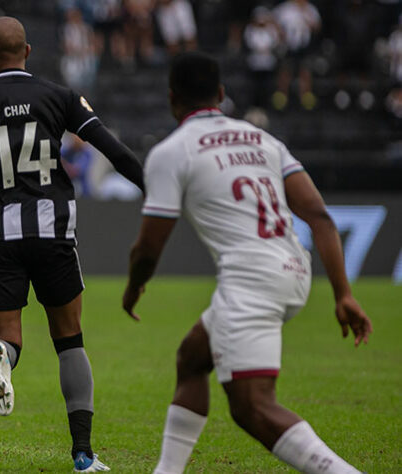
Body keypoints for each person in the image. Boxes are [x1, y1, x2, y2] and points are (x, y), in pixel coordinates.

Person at [122, 52, 373, 474]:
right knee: (191, 359)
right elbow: (320, 218)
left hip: (252, 280)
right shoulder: (263, 141)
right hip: (294, 270)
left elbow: (149, 246)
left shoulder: (172, 151)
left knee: (252, 407)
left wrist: (134, 287)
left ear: (171, 99)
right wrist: (343, 294)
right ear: (220, 95)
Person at [0, 16, 144, 473]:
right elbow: (114, 152)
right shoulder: (58, 96)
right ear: (28, 53)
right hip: (52, 230)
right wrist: (156, 193)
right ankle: (82, 454)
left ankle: (0, 358)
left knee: (5, 338)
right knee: (69, 339)